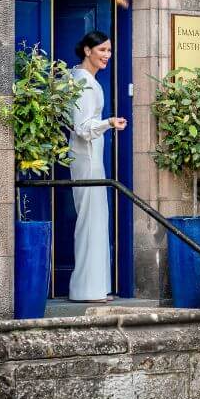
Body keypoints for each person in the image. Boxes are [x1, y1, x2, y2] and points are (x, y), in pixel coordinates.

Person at [68, 31, 127, 303]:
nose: (107, 55)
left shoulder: (78, 78)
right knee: (90, 220)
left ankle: (95, 288)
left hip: (90, 157)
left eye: (109, 51)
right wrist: (108, 123)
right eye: (102, 50)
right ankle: (86, 290)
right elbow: (82, 128)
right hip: (88, 158)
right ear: (87, 50)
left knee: (94, 218)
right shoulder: (85, 83)